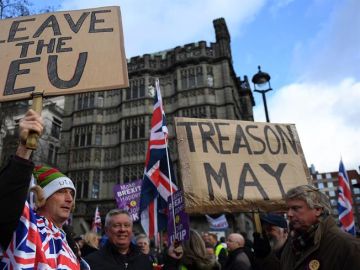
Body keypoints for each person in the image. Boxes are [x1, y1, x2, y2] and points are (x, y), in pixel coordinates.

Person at [0, 109, 81, 269]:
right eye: (61, 191)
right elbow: (8, 196)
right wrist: (24, 148)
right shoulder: (22, 225)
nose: (69, 199)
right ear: (40, 197)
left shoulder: (68, 243)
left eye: (71, 193)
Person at [255, 185, 360, 270]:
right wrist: (266, 257)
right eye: (289, 209)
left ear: (318, 210)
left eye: (296, 208)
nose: (289, 214)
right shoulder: (293, 244)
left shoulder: (347, 246)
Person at [85, 209, 153, 269]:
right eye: (117, 225)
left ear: (131, 230)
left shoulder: (144, 260)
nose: (122, 229)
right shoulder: (91, 262)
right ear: (106, 230)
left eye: (126, 225)